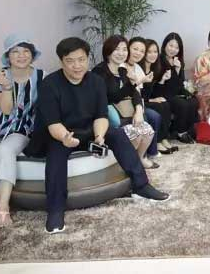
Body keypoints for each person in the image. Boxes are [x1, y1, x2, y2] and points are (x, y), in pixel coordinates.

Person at [36, 37, 169, 234]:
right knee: (55, 153)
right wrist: (65, 138)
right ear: (61, 61)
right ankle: (55, 209)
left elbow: (101, 115)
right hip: (61, 133)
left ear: (87, 59)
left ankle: (141, 185)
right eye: (70, 61)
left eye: (81, 60)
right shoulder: (50, 84)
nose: (76, 65)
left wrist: (99, 136)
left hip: (90, 129)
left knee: (118, 135)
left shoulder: (95, 81)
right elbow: (53, 123)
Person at [0, 34, 44, 231]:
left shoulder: (42, 77)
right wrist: (6, 87)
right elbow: (5, 110)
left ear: (32, 55)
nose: (21, 56)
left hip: (21, 127)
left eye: (26, 51)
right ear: (8, 56)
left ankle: (3, 206)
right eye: (15, 52)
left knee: (6, 150)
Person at [92, 36, 157, 169]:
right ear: (108, 51)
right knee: (136, 134)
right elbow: (110, 97)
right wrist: (132, 84)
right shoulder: (99, 71)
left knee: (148, 131)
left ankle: (139, 159)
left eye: (124, 49)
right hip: (109, 115)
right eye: (117, 49)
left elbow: (134, 93)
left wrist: (138, 110)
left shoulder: (122, 70)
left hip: (126, 111)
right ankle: (128, 163)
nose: (121, 53)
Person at [154, 32, 199, 144]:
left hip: (174, 92)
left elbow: (179, 85)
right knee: (182, 104)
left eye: (176, 47)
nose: (173, 49)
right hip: (161, 92)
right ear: (165, 45)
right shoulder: (158, 60)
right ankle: (180, 132)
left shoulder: (178, 62)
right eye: (171, 45)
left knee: (194, 101)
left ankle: (187, 129)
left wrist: (178, 70)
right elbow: (158, 85)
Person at [127, 36, 170, 154]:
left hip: (142, 100)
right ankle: (157, 143)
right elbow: (137, 91)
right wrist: (151, 100)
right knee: (158, 109)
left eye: (155, 52)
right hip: (137, 102)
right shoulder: (137, 67)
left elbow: (151, 91)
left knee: (165, 104)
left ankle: (162, 138)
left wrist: (162, 81)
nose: (153, 55)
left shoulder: (154, 68)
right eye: (149, 52)